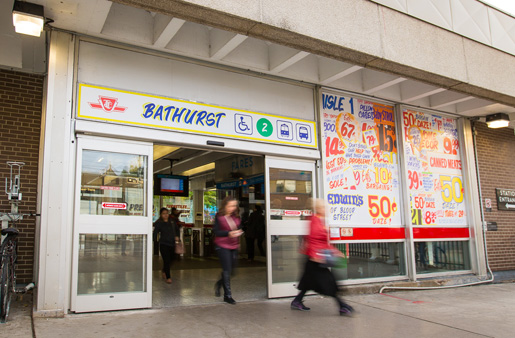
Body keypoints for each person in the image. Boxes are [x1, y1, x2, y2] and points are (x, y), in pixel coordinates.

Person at [291, 199, 354, 316]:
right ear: (319, 208)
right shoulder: (315, 220)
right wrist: (316, 256)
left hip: (315, 258)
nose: (326, 209)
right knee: (329, 283)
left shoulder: (320, 220)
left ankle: (297, 301)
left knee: (308, 282)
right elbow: (313, 239)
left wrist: (335, 251)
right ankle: (342, 306)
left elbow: (323, 242)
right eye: (324, 207)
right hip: (315, 259)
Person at [214, 196, 243, 304]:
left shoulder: (236, 216)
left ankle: (219, 284)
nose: (233, 208)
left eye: (234, 205)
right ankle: (228, 295)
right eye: (230, 206)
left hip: (234, 245)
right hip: (222, 246)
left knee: (233, 271)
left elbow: (239, 228)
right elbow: (216, 231)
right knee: (227, 270)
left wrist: (238, 239)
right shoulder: (219, 217)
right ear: (225, 205)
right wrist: (228, 233)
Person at [153, 207, 180, 284]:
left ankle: (164, 270)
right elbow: (155, 232)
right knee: (166, 260)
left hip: (172, 243)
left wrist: (177, 236)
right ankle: (168, 277)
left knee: (173, 258)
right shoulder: (159, 223)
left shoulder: (172, 221)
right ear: (161, 215)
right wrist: (154, 240)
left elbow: (177, 230)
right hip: (163, 244)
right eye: (164, 214)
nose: (165, 215)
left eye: (167, 213)